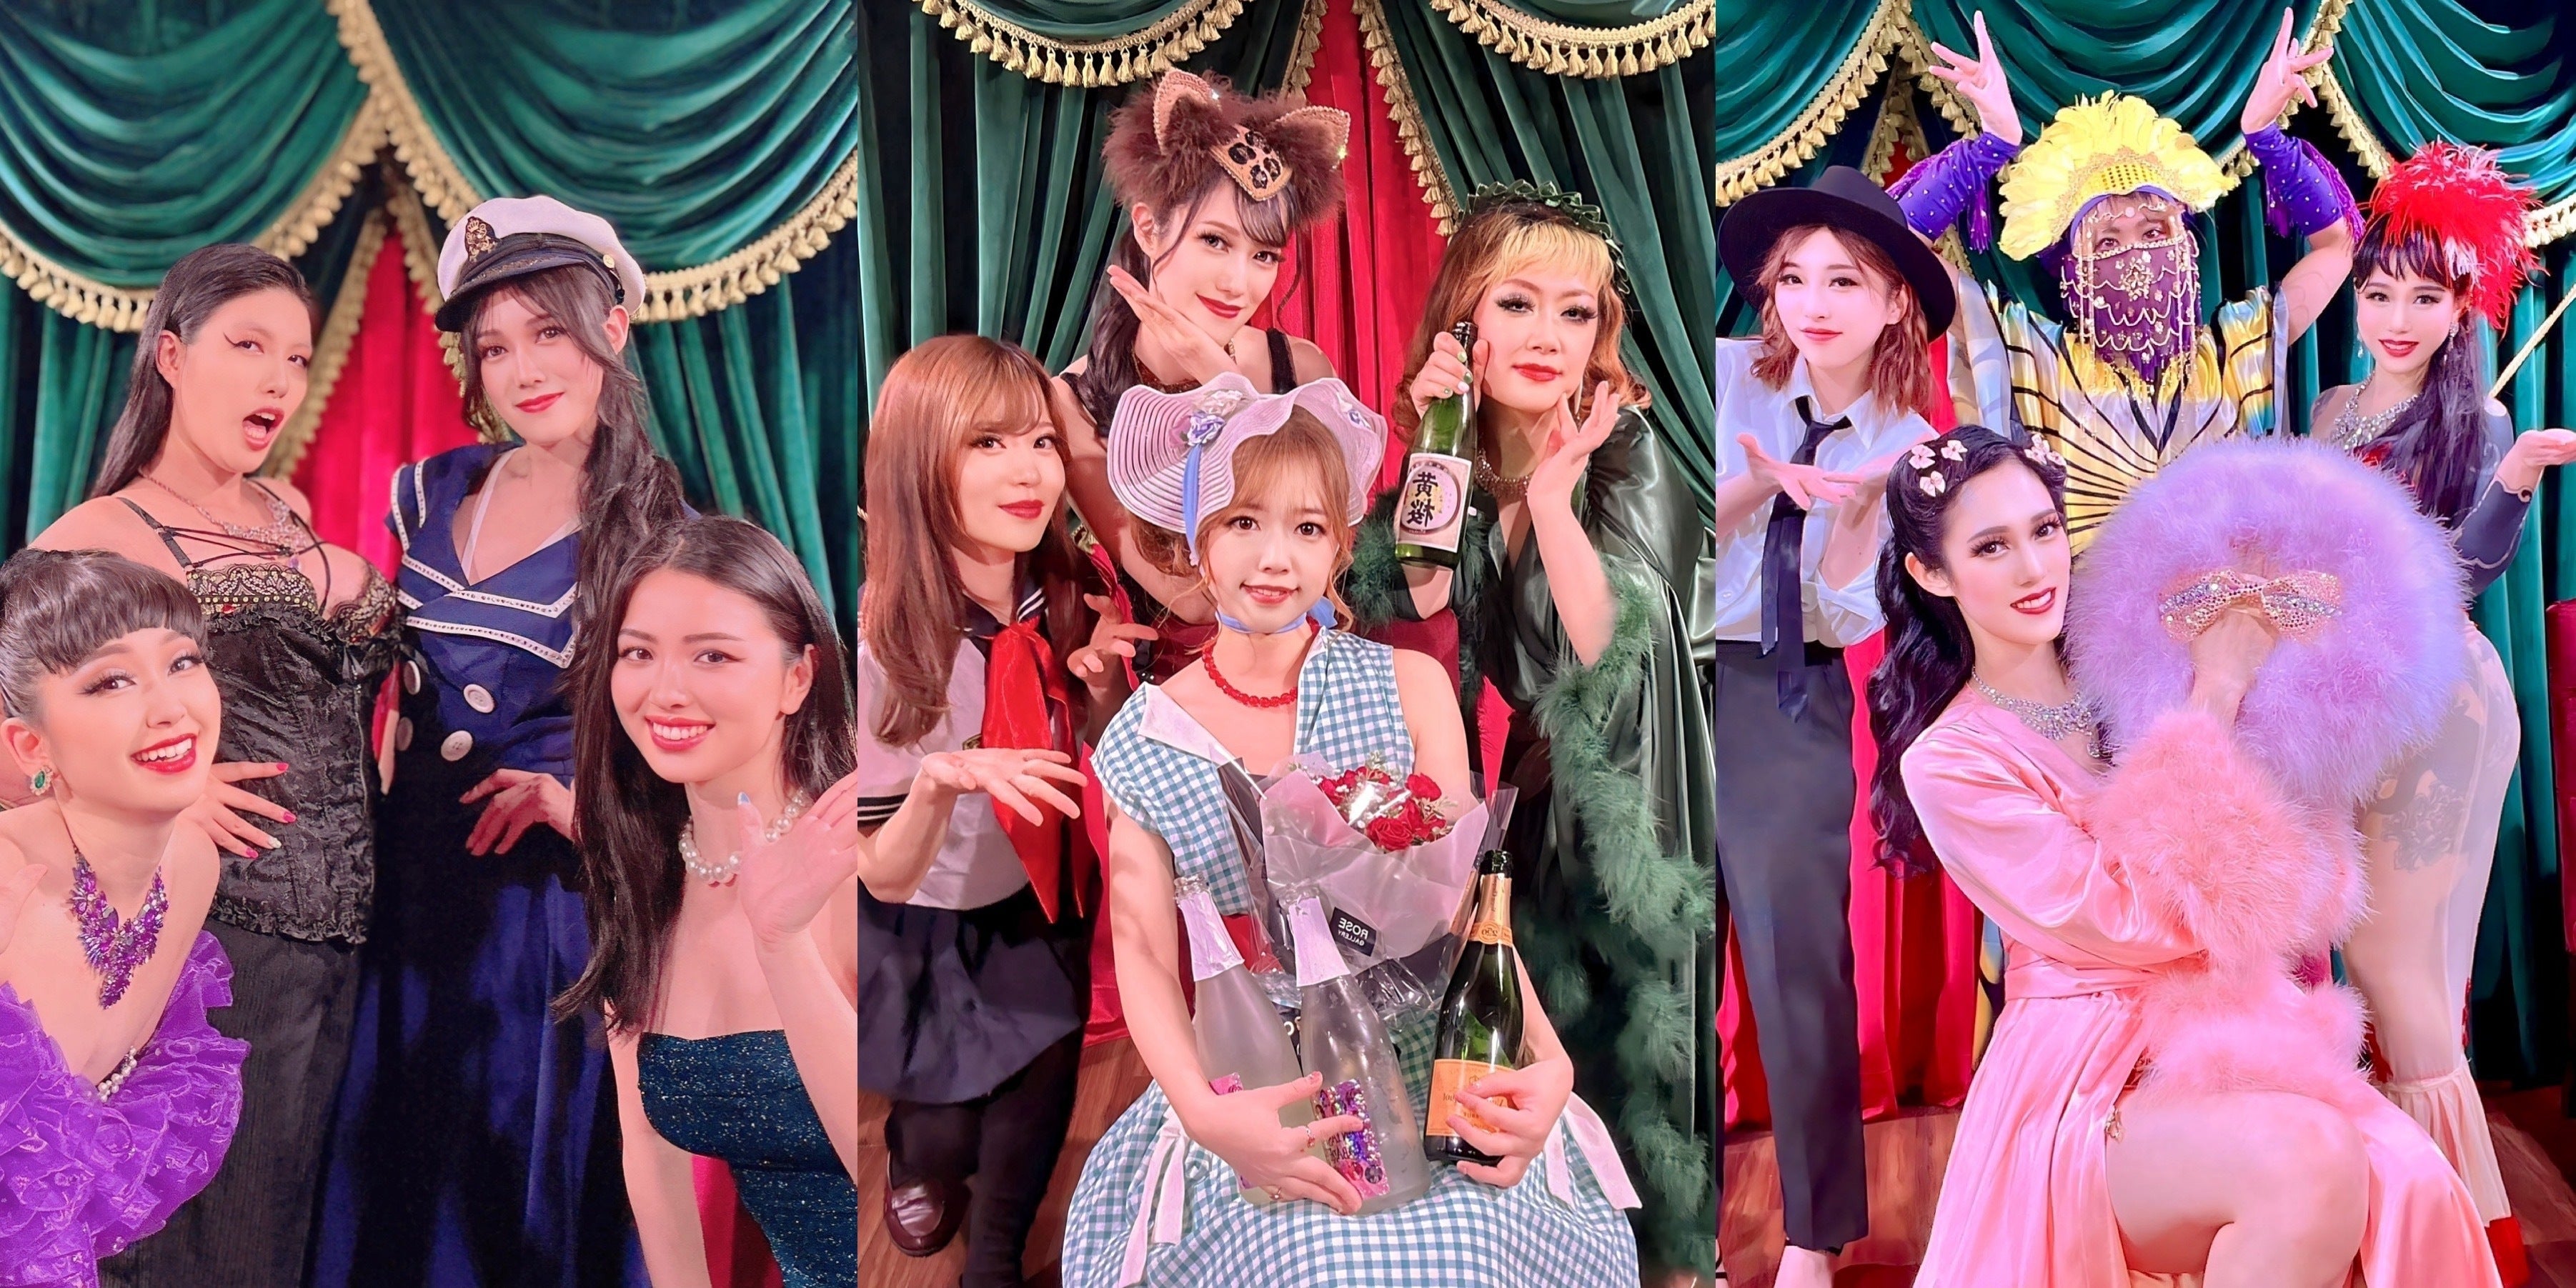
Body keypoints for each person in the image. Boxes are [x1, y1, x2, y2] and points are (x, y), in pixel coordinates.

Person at [1872, 425, 2497, 1287]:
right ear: (1931, 573)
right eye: (1990, 547)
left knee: (2409, 1175)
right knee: (2307, 1162)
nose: (2032, 568)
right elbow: (2133, 921)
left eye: (2043, 530)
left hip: (2234, 1027)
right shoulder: (1951, 761)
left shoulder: (2134, 667)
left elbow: (2304, 886)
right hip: (2087, 1077)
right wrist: (2214, 694)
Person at [1058, 376, 1640, 1287]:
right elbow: (1140, 953)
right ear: (1195, 537)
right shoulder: (1144, 738)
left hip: (1427, 1056)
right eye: (1242, 522)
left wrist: (1549, 1061)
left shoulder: (1404, 685)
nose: (1274, 558)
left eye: (1306, 527)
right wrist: (1207, 1119)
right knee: (1311, 1262)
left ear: (1337, 545)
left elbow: (1466, 909)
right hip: (1262, 1081)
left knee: (1467, 1255)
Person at [313, 195, 690, 1287]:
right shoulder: (431, 488)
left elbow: (692, 745)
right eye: (493, 347)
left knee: (499, 1190)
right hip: (405, 891)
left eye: (549, 332)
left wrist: (580, 809)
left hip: (537, 912)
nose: (523, 369)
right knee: (388, 1169)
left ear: (611, 329)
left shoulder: (654, 531)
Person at [1347, 180, 1716, 1277]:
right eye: (1518, 304)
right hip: (1535, 791)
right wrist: (1439, 441)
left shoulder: (1622, 440)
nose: (1551, 336)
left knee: (1642, 1052)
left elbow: (1607, 648)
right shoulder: (1455, 454)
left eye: (1576, 311)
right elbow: (1413, 591)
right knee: (1542, 1036)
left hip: (1642, 772)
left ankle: (1670, 1261)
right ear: (1463, 316)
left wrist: (1552, 499)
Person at [27, 243, 401, 1288]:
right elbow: (19, 746)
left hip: (349, 936)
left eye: (296, 357)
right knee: (205, 1242)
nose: (279, 379)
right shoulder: (102, 536)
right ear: (172, 357)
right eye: (248, 346)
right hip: (214, 935)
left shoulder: (287, 515)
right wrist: (162, 800)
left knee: (289, 1233)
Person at [2309, 141, 2576, 1277]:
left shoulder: (2481, 420)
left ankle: (2469, 1245)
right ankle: (2407, 1228)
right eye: (2379, 293)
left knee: (2398, 968)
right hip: (2342, 704)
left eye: (2425, 297)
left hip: (2435, 702)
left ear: (2465, 305)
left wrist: (2515, 477)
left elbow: (2458, 578)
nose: (2397, 317)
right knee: (2369, 965)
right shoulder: (2327, 408)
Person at [1703, 164, 1953, 1286]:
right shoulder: (1717, 378)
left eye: (1845, 280)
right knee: (1661, 951)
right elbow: (1662, 535)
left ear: (1894, 299)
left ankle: (1812, 1235)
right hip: (1669, 669)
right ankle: (1671, 1227)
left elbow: (1848, 612)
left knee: (1799, 953)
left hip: (1785, 686)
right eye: (1794, 276)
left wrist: (1854, 514)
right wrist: (1761, 487)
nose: (1814, 301)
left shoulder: (1907, 437)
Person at [858, 335, 1140, 1283]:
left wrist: (1100, 691)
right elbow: (881, 873)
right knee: (939, 1122)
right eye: (986, 443)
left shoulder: (1068, 591)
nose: (1028, 472)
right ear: (917, 460)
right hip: (925, 917)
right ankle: (914, 1155)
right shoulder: (880, 638)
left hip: (1043, 894)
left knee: (1037, 1089)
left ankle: (997, 1258)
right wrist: (940, 780)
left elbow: (1095, 746)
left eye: (1039, 442)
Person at [1894, 9, 2357, 545]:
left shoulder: (2237, 351)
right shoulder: (2035, 357)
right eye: (2107, 242)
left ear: (2187, 249)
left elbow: (2337, 246)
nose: (2135, 255)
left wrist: (2266, 137)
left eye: (2154, 231)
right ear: (2072, 271)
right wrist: (1990, 146)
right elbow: (1898, 248)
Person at [558, 516, 857, 1288]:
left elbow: (887, 1163)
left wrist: (782, 944)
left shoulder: (861, 858)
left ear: (798, 678)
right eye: (638, 653)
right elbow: (649, 1157)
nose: (665, 692)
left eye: (713, 655)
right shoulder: (641, 878)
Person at [0, 550, 251, 1287]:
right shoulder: (10, 879)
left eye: (182, 662)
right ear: (31, 745)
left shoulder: (192, 863)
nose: (170, 708)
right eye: (111, 681)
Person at [1053, 68, 1350, 682]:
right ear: (1147, 228)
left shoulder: (1300, 368)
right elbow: (1193, 596)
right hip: (1181, 698)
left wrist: (1225, 382)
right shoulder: (1076, 401)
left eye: (1263, 255)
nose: (1237, 282)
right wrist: (1227, 393)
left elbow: (1334, 566)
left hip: (1315, 679)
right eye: (1214, 241)